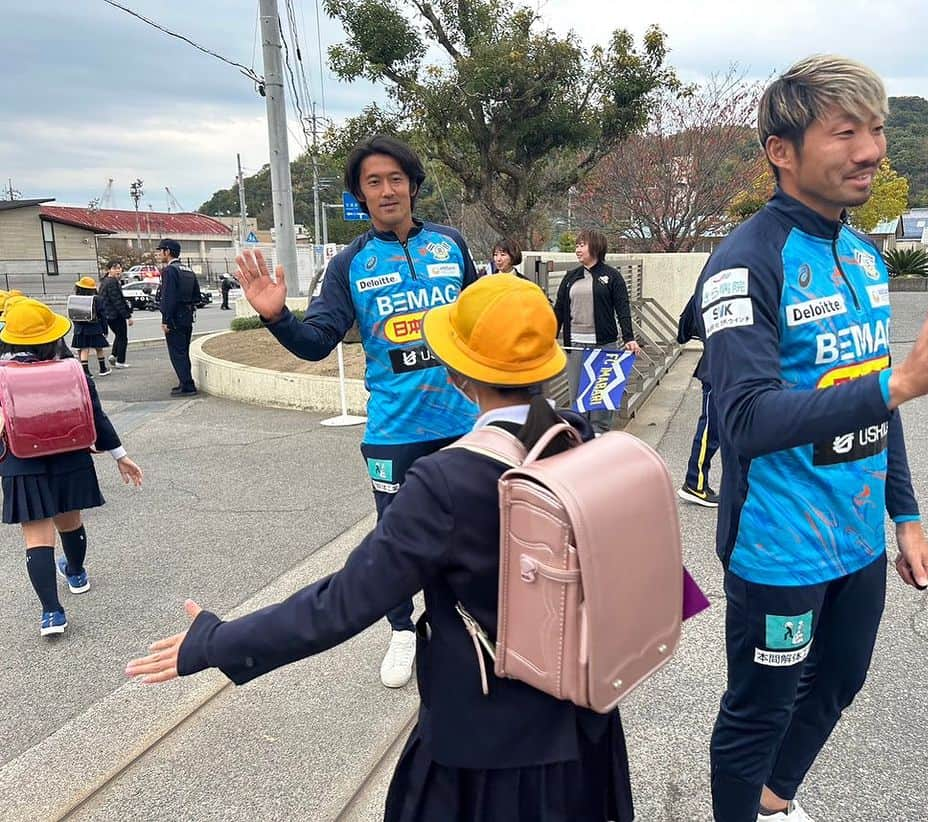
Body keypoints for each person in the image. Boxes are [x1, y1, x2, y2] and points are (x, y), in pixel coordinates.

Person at [126, 274, 633, 821]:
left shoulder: (447, 482)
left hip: (484, 745)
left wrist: (216, 643)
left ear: (459, 374)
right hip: (586, 725)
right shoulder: (582, 442)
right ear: (548, 364)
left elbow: (342, 603)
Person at [697, 54, 928, 822]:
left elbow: (878, 401)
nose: (870, 150)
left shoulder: (862, 256)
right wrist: (891, 386)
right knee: (760, 709)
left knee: (841, 681)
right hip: (777, 543)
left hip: (856, 537)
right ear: (782, 151)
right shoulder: (743, 264)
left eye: (876, 129)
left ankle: (773, 806)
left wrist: (904, 514)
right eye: (845, 131)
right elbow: (742, 419)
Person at [231, 135, 479, 688]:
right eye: (373, 182)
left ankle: (464, 618)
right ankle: (400, 629)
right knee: (395, 535)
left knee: (471, 527)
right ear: (360, 197)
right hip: (393, 430)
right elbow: (319, 341)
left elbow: (483, 318)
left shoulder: (451, 244)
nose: (387, 190)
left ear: (413, 185)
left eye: (395, 178)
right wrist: (277, 318)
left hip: (464, 421)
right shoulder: (350, 264)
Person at [1, 299, 143, 636]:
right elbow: (96, 416)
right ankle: (77, 573)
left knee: (37, 537)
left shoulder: (2, 376)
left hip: (23, 463)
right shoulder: (72, 369)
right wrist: (120, 456)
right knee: (71, 522)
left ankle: (52, 614)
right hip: (70, 457)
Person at [553, 230, 640, 433]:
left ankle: (600, 434)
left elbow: (622, 308)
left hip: (603, 345)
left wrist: (629, 338)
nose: (577, 249)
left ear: (595, 247)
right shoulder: (570, 277)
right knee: (577, 395)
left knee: (599, 397)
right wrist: (550, 336)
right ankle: (580, 435)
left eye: (582, 245)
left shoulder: (612, 276)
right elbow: (559, 310)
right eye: (577, 245)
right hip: (574, 344)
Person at [676, 295, 719, 507]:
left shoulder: (708, 283)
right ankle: (695, 482)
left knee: (716, 428)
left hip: (717, 365)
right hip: (720, 368)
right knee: (711, 429)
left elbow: (685, 327)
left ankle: (697, 481)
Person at [157, 239, 200, 396]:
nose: (159, 253)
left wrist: (166, 320)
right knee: (183, 350)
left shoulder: (169, 270)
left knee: (177, 352)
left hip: (175, 316)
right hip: (187, 315)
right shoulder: (188, 269)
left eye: (160, 250)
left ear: (167, 252)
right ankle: (184, 382)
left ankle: (187, 385)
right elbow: (197, 295)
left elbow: (168, 297)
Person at [71, 276, 111, 377]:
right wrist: (105, 330)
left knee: (84, 349)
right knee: (99, 348)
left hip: (80, 329)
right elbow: (102, 315)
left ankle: (86, 372)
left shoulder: (75, 299)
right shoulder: (97, 299)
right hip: (95, 328)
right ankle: (102, 369)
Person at [100, 261, 134, 369]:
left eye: (119, 268)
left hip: (108, 315)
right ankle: (120, 361)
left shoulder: (105, 281)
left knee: (119, 335)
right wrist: (127, 316)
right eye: (115, 268)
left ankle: (114, 355)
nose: (118, 270)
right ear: (109, 270)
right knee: (123, 337)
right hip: (115, 315)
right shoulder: (112, 282)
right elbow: (117, 301)